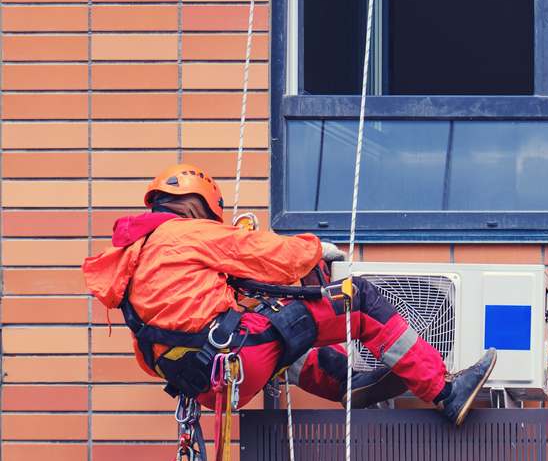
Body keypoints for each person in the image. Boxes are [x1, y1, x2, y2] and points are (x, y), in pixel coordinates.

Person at [82, 163, 496, 426]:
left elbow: (157, 348)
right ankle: (444, 391)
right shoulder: (185, 233)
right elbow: (267, 254)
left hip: (208, 384)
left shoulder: (134, 261)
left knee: (281, 336)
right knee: (360, 300)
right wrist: (315, 250)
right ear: (198, 207)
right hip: (234, 359)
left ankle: (348, 384)